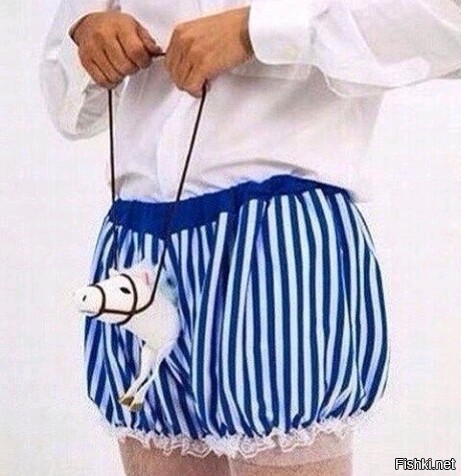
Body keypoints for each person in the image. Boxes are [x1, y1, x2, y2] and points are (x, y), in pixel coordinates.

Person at [39, 1, 461, 475]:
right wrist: (88, 34)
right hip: (138, 240)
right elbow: (66, 104)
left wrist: (256, 30)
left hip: (276, 237)